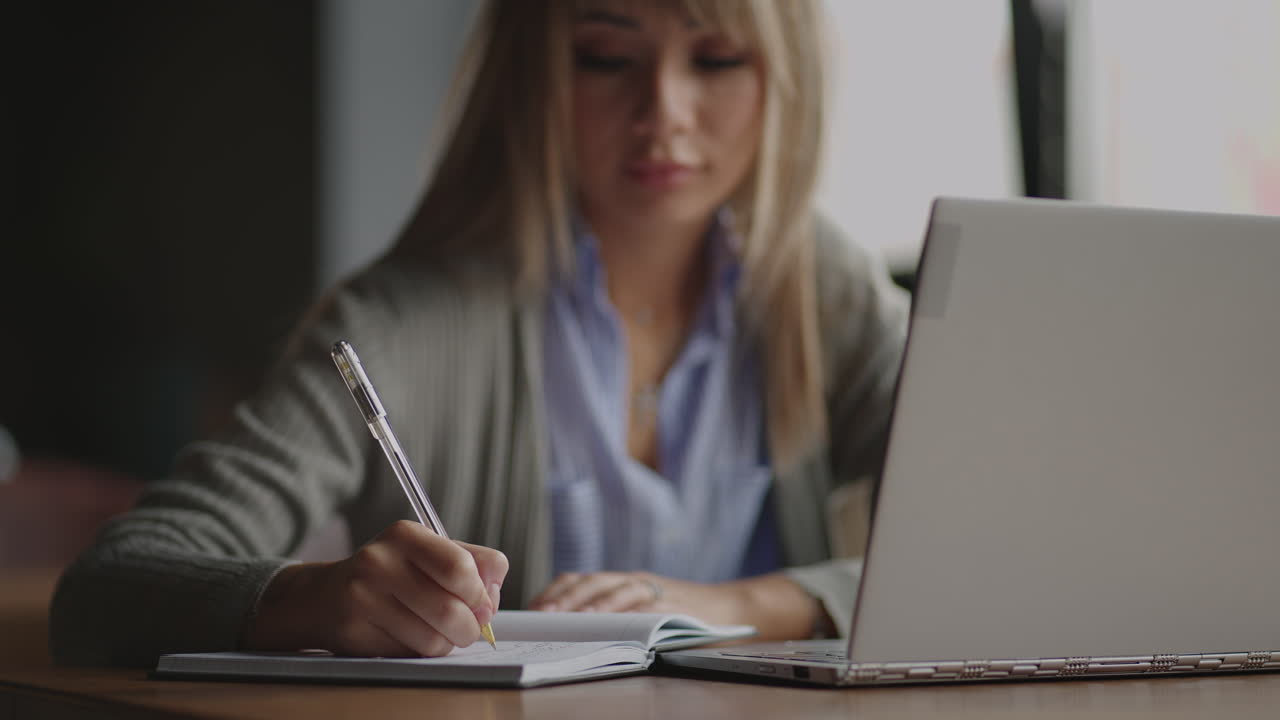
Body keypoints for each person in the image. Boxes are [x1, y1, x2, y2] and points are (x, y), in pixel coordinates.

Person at [50, 0, 908, 667]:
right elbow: (106, 591)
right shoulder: (400, 324)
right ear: (530, 72)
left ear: (785, 72)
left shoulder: (826, 297)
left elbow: (1015, 550)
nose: (666, 112)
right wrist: (314, 601)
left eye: (717, 56)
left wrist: (741, 605)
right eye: (605, 56)